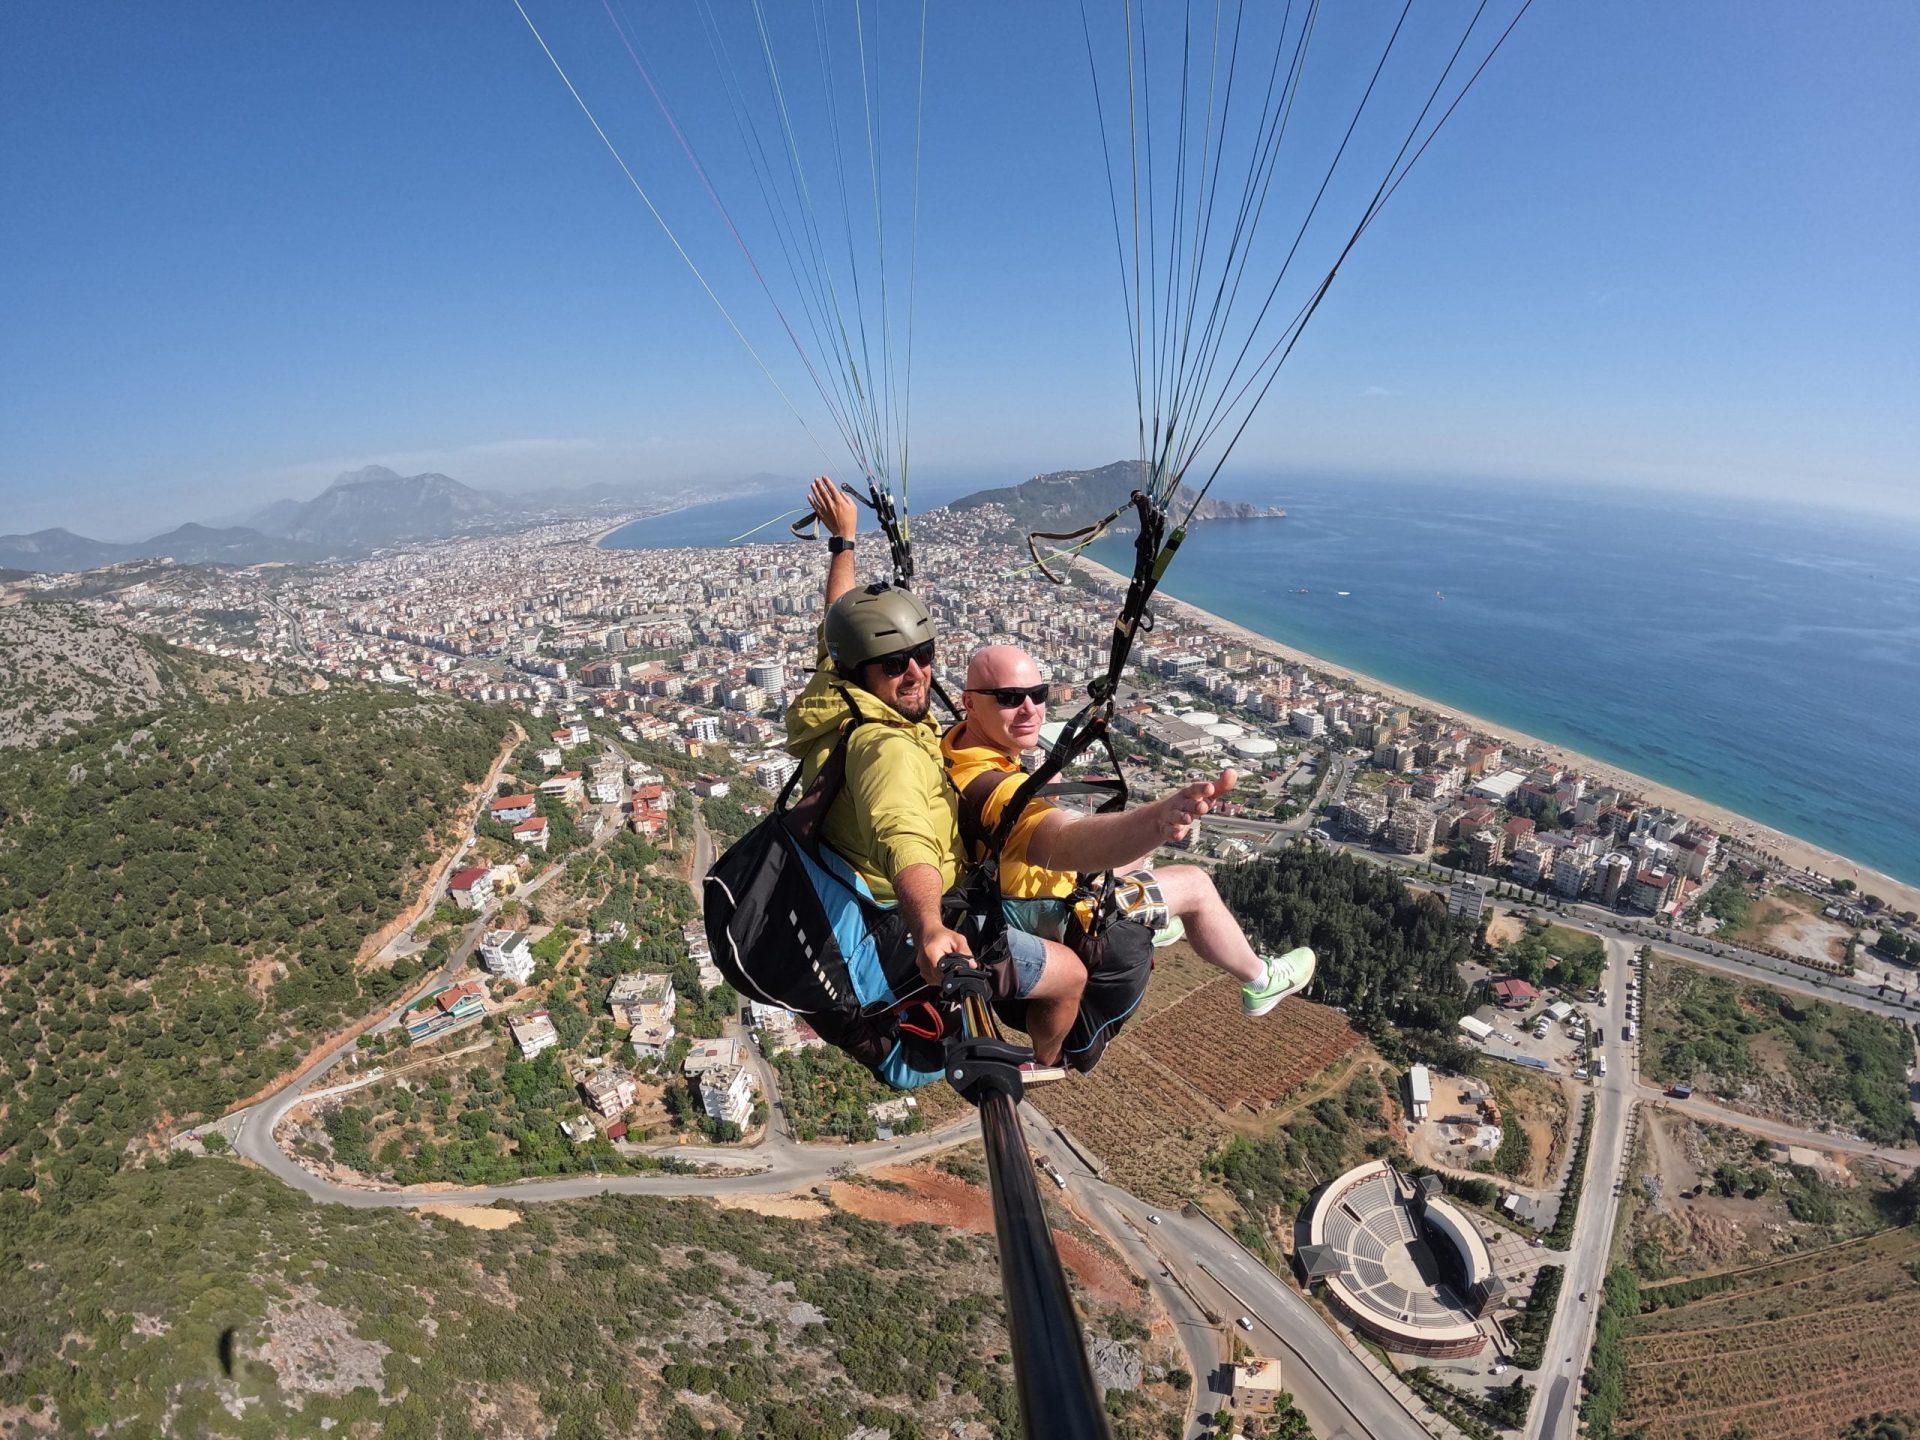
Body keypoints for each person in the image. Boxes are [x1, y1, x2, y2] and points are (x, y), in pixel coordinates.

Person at [783, 479, 1091, 1064]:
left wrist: (843, 542)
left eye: (924, 656)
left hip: (861, 889)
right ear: (866, 672)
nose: (917, 674)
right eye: (896, 664)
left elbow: (841, 624)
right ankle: (1046, 1064)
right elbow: (904, 835)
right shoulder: (887, 747)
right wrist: (928, 926)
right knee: (1071, 972)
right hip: (916, 916)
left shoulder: (841, 690)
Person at [942, 643, 1316, 1016]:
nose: (1029, 709)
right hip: (1045, 914)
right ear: (970, 703)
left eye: (1036, 695)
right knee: (1195, 883)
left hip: (1006, 884)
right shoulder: (996, 790)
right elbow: (1062, 841)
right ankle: (1261, 981)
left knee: (1141, 848)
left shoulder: (954, 745)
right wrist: (1158, 818)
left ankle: (1163, 917)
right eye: (1009, 698)